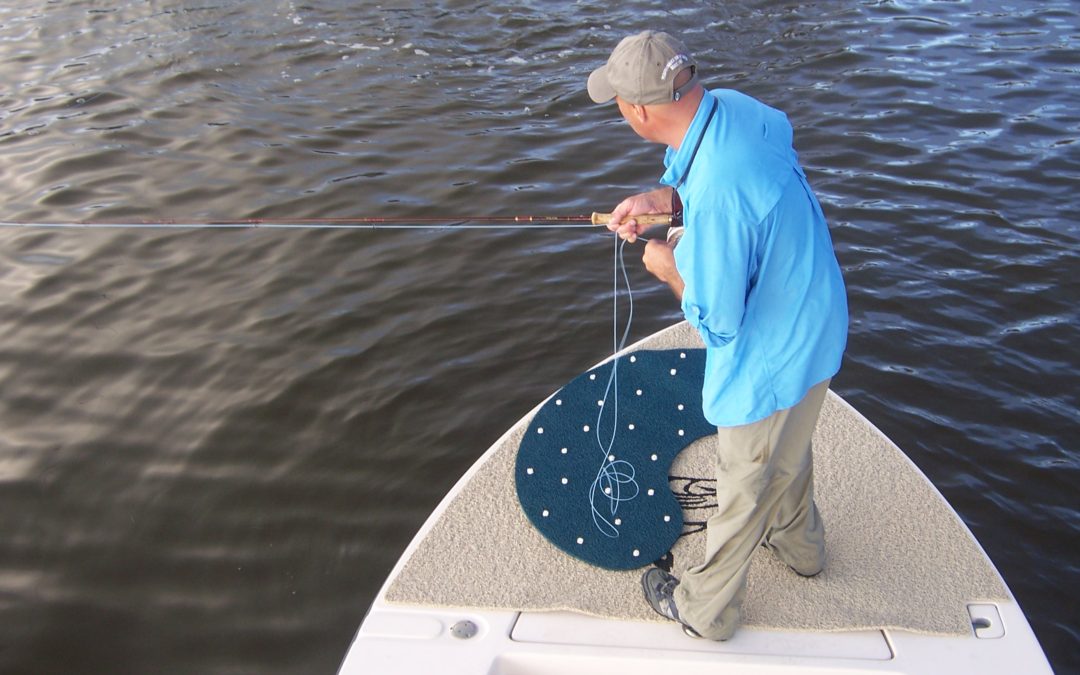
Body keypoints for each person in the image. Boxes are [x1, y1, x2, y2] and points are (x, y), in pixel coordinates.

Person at [587, 30, 848, 641]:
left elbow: (719, 322)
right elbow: (728, 172)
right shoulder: (735, 108)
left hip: (774, 349)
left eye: (620, 103)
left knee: (745, 477)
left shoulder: (722, 199)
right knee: (790, 443)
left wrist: (669, 268)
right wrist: (664, 200)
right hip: (818, 312)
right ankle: (804, 549)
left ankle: (706, 612)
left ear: (640, 111)